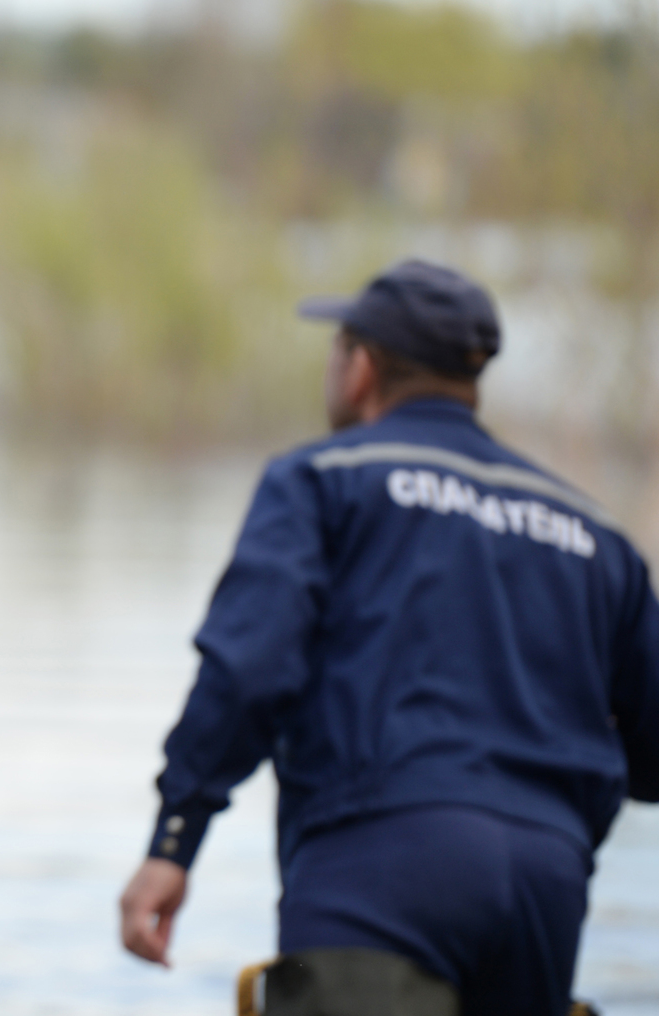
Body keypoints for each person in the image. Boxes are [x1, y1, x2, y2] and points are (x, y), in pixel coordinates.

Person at [117, 260, 659, 1015]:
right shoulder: (596, 535)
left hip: (376, 869)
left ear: (361, 366)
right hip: (548, 885)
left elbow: (248, 673)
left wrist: (176, 840)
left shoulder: (321, 480)